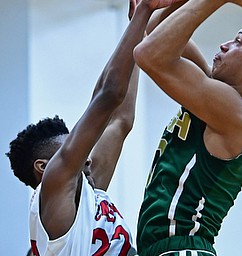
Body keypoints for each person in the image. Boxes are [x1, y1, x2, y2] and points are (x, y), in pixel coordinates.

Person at [133, 0, 242, 255]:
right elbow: (155, 28)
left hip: (184, 247)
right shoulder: (216, 98)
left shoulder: (235, 115)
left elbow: (147, 54)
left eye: (238, 42)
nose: (224, 45)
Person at [6, 0, 182, 255]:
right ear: (44, 167)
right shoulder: (53, 189)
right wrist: (144, 10)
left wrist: (138, 29)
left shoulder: (87, 192)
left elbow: (120, 120)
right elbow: (108, 95)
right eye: (75, 154)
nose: (86, 159)